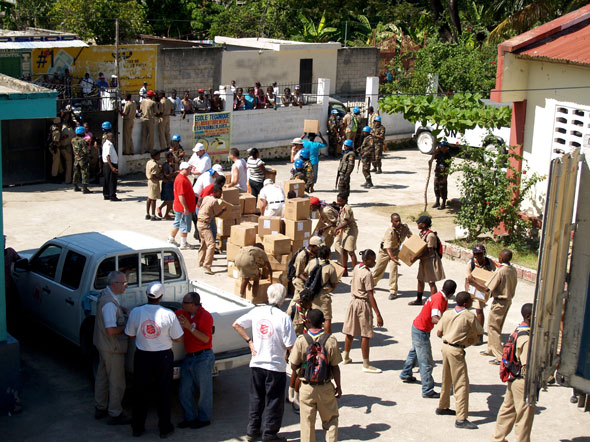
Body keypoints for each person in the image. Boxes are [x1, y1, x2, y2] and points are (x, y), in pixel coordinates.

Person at [232, 284, 296, 442]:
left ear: (268, 296)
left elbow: (237, 324)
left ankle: (252, 430)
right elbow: (290, 345)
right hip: (275, 365)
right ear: (282, 299)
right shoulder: (284, 318)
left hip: (257, 363)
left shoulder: (257, 311)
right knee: (274, 401)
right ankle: (270, 434)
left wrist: (250, 341)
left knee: (256, 398)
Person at [125, 282, 184, 438]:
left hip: (142, 356)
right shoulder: (168, 314)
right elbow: (178, 338)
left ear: (147, 294)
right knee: (163, 392)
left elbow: (130, 334)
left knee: (140, 391)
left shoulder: (136, 312)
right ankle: (164, 428)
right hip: (163, 356)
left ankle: (137, 427)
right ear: (161, 296)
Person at [289, 309, 342, 442]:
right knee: (331, 420)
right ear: (323, 322)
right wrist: (338, 386)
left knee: (307, 424)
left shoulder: (301, 340)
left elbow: (293, 364)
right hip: (325, 386)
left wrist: (302, 370)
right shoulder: (331, 340)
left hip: (307, 387)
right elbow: (335, 367)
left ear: (308, 322)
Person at [400, 280, 457, 398]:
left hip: (418, 327)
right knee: (426, 362)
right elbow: (434, 318)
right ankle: (427, 389)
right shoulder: (439, 300)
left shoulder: (439, 297)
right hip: (421, 331)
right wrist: (446, 326)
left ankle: (406, 373)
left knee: (415, 352)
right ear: (452, 293)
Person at [435, 291, 484, 430]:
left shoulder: (447, 313)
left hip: (445, 347)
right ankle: (461, 418)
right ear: (465, 303)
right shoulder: (469, 316)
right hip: (456, 350)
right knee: (461, 384)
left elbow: (439, 333)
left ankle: (443, 405)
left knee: (447, 378)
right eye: (470, 301)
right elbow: (479, 332)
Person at [491, 303, 535, 442]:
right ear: (528, 317)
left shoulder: (518, 330)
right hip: (522, 381)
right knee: (524, 417)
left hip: (513, 378)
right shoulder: (526, 338)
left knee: (508, 410)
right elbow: (527, 364)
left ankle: (498, 438)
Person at [93, 271, 131, 425]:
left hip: (102, 345)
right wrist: (125, 326)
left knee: (102, 377)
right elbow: (110, 331)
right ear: (114, 284)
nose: (126, 285)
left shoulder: (106, 295)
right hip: (112, 347)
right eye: (123, 283)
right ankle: (115, 413)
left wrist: (122, 309)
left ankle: (100, 407)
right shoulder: (109, 305)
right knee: (117, 382)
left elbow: (113, 305)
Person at [471, 249, 518, 365]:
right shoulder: (513, 270)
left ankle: (499, 356)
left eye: (499, 255)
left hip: (499, 301)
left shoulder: (501, 271)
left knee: (493, 327)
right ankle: (491, 348)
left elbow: (488, 288)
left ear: (501, 258)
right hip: (507, 300)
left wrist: (473, 281)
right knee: (497, 325)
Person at [176, 292, 215, 429]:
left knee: (204, 391)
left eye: (185, 302)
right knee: (185, 390)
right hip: (190, 357)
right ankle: (190, 417)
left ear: (193, 305)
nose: (182, 304)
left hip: (203, 357)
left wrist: (190, 327)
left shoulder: (206, 317)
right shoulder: (184, 313)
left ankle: (204, 419)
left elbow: (205, 339)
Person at [342, 249, 383, 373]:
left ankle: (346, 356)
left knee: (350, 331)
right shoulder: (367, 274)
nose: (374, 262)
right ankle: (366, 364)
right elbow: (370, 295)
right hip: (362, 303)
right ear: (366, 260)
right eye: (372, 260)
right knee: (366, 334)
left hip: (353, 302)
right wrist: (378, 314)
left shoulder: (356, 267)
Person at [372, 213, 412, 300]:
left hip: (395, 250)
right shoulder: (390, 231)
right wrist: (392, 257)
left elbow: (410, 236)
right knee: (379, 269)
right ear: (392, 221)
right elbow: (388, 247)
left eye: (399, 220)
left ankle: (393, 291)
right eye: (396, 221)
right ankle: (371, 284)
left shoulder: (404, 228)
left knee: (393, 270)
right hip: (385, 251)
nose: (398, 222)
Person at [302, 245, 338, 335]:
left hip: (311, 294)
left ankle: (311, 336)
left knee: (311, 316)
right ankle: (326, 339)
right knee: (327, 318)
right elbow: (333, 283)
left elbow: (305, 274)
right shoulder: (330, 267)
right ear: (328, 255)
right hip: (323, 294)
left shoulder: (312, 262)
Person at [409, 216, 445, 305]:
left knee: (431, 282)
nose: (417, 224)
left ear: (424, 224)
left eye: (419, 223)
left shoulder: (430, 235)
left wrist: (416, 257)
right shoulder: (422, 233)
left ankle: (434, 303)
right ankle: (419, 299)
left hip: (430, 261)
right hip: (423, 260)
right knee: (420, 279)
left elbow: (429, 251)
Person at [464, 244, 496, 337]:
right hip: (472, 288)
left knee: (479, 310)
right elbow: (469, 279)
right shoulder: (471, 263)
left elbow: (495, 274)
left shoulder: (489, 262)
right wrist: (483, 286)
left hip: (481, 291)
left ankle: (479, 334)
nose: (478, 256)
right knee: (467, 309)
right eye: (476, 254)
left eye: (480, 254)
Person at [196, 185, 228, 274]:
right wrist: (223, 210)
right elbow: (217, 214)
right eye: (220, 193)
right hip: (205, 224)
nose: (221, 195)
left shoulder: (206, 198)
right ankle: (207, 266)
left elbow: (199, 204)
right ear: (217, 192)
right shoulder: (214, 201)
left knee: (203, 243)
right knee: (211, 244)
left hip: (199, 222)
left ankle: (200, 262)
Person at [287, 236, 321, 315]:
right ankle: (288, 315)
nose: (319, 250)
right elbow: (299, 273)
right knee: (299, 298)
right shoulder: (302, 256)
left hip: (306, 279)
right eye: (317, 248)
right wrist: (309, 282)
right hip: (299, 280)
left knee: (301, 299)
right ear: (312, 246)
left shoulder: (314, 253)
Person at [169, 161, 197, 249]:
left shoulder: (182, 177)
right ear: (182, 169)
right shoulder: (181, 179)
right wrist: (185, 207)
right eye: (188, 169)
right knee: (184, 225)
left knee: (177, 223)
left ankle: (171, 239)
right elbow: (181, 195)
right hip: (182, 208)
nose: (190, 170)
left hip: (179, 207)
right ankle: (183, 243)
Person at [334, 193, 358, 277]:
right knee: (344, 250)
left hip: (351, 231)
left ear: (345, 200)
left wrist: (337, 228)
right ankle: (345, 270)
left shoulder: (347, 208)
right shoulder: (342, 208)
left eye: (340, 201)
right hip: (345, 231)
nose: (338, 202)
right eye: (338, 200)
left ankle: (356, 272)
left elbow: (346, 221)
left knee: (351, 251)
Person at [429, 141, 452, 209]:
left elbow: (448, 167)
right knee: (436, 188)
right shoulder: (439, 154)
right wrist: (435, 152)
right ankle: (437, 201)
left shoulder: (448, 156)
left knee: (443, 189)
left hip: (443, 174)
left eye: (444, 147)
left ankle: (443, 204)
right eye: (441, 147)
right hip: (437, 173)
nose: (443, 148)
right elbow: (432, 159)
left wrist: (445, 177)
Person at [72, 126, 91, 194]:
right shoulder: (82, 141)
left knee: (76, 172)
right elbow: (85, 151)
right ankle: (85, 188)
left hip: (76, 158)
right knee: (84, 172)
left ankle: (75, 186)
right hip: (83, 159)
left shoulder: (73, 140)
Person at [102, 132, 120, 202]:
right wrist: (112, 167)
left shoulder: (106, 144)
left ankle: (106, 194)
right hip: (110, 164)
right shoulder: (109, 144)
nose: (114, 138)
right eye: (112, 137)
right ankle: (112, 196)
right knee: (112, 181)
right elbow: (107, 156)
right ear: (109, 137)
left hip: (107, 164)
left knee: (107, 180)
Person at [158, 152, 177, 220]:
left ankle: (166, 214)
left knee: (171, 200)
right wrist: (174, 173)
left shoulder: (171, 164)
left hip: (171, 183)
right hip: (167, 183)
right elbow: (167, 175)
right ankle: (160, 207)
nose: (172, 158)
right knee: (169, 199)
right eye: (171, 157)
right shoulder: (165, 165)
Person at [145, 150, 162, 221]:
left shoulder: (149, 162)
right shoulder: (154, 164)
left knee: (149, 197)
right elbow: (153, 176)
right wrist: (161, 178)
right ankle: (153, 215)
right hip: (154, 182)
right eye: (158, 155)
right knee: (153, 199)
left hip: (149, 182)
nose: (159, 157)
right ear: (155, 156)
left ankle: (147, 213)